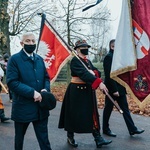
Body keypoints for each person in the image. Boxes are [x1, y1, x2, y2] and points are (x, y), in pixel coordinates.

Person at [58, 39, 112, 148]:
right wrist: (98, 81)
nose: (86, 49)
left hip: (88, 90)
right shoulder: (75, 61)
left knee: (92, 114)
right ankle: (70, 136)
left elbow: (96, 71)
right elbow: (83, 74)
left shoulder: (87, 61)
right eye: (83, 47)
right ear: (77, 49)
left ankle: (98, 138)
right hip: (76, 91)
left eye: (87, 47)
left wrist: (94, 73)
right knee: (73, 115)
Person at [6, 32, 52, 150]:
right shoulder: (14, 60)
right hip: (23, 107)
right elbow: (12, 82)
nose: (31, 43)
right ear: (22, 43)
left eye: (33, 41)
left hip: (40, 108)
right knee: (19, 139)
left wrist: (45, 89)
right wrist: (32, 92)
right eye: (28, 41)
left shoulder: (39, 59)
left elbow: (46, 78)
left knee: (44, 140)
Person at [102, 39, 145, 137]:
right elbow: (109, 76)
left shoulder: (118, 58)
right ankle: (105, 129)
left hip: (120, 89)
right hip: (112, 89)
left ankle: (132, 129)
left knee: (125, 109)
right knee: (108, 109)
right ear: (112, 47)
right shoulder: (109, 57)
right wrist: (114, 90)